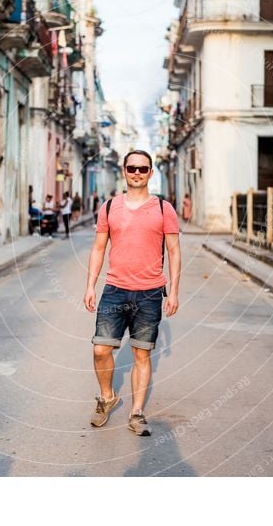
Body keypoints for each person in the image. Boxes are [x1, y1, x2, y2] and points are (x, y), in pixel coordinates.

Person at [83, 150, 181, 436]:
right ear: (124, 172)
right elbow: (99, 248)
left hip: (150, 293)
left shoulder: (164, 209)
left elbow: (174, 251)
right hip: (114, 289)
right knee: (101, 349)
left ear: (151, 173)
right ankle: (107, 397)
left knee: (141, 355)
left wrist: (173, 291)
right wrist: (90, 285)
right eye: (132, 168)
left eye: (142, 168)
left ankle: (137, 412)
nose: (137, 173)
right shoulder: (110, 207)